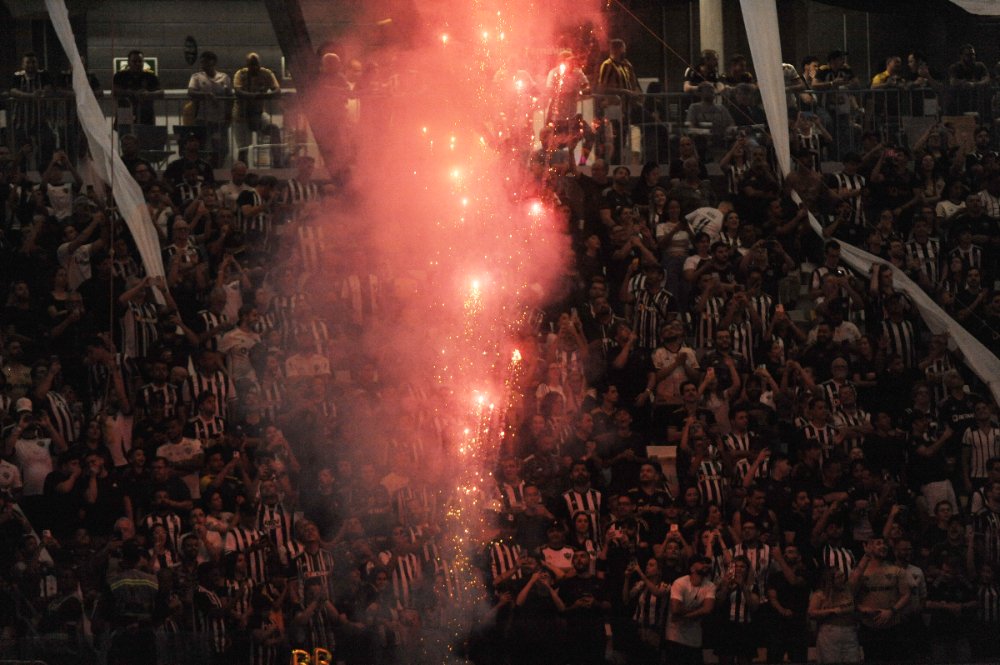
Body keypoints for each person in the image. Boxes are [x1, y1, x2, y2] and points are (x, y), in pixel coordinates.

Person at [597, 39, 641, 164]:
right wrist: (623, 91)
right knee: (615, 142)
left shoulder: (626, 65)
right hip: (613, 109)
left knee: (622, 141)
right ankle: (613, 166)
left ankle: (618, 165)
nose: (625, 52)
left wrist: (635, 94)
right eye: (623, 49)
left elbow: (633, 83)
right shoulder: (607, 65)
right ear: (615, 50)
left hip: (626, 109)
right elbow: (602, 88)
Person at [665, 555, 716, 665]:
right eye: (702, 563)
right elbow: (675, 608)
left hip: (694, 639)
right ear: (692, 568)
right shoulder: (680, 583)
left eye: (707, 563)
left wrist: (686, 615)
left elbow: (707, 609)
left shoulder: (710, 586)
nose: (706, 565)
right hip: (675, 636)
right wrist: (698, 610)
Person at [232, 52, 281, 165]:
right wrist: (257, 96)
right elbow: (238, 92)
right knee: (243, 149)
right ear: (247, 65)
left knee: (274, 129)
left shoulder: (266, 73)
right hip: (241, 115)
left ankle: (277, 163)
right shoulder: (240, 74)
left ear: (260, 64)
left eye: (256, 64)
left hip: (258, 113)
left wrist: (265, 95)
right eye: (251, 65)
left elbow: (277, 90)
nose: (254, 67)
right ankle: (243, 172)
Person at [186, 51, 233, 165]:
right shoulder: (196, 77)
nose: (203, 64)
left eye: (206, 61)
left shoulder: (224, 77)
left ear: (213, 62)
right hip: (203, 118)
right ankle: (203, 168)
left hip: (219, 120)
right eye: (202, 62)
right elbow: (191, 92)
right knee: (202, 146)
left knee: (221, 148)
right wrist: (206, 95)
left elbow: (230, 97)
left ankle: (218, 168)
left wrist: (228, 116)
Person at [112, 49, 163, 126]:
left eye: (140, 61)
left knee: (146, 136)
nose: (138, 64)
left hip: (146, 113)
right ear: (129, 63)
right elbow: (114, 91)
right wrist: (129, 93)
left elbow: (161, 93)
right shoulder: (120, 76)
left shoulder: (151, 77)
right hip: (125, 112)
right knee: (125, 136)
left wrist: (148, 94)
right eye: (134, 61)